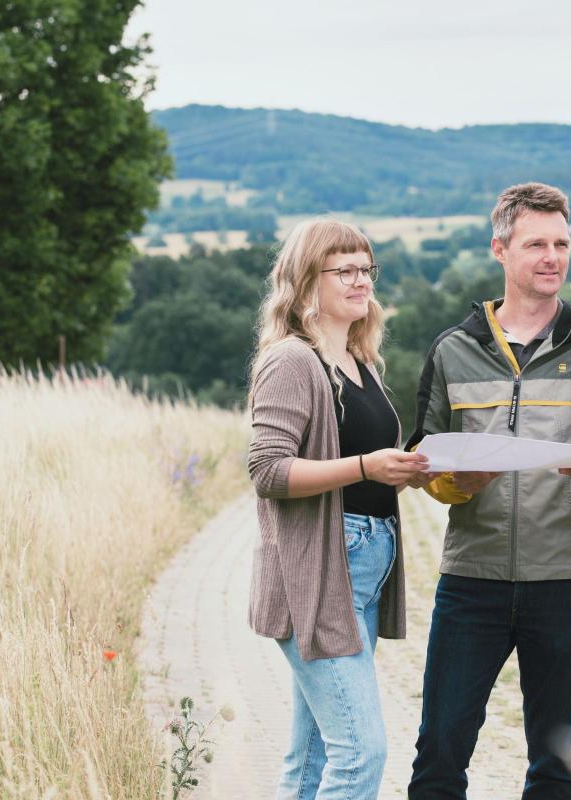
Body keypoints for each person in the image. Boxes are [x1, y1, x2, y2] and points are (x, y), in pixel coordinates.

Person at [405, 182, 571, 799]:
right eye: (536, 243)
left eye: (562, 244)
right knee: (438, 753)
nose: (552, 257)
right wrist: (457, 481)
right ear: (501, 250)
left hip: (566, 581)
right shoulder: (453, 350)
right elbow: (424, 459)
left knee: (555, 765)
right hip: (471, 580)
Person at [246, 218, 429, 800]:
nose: (360, 281)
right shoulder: (292, 361)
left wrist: (402, 471)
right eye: (343, 269)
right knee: (360, 753)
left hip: (365, 567)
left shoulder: (360, 361)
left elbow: (363, 471)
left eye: (366, 269)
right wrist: (365, 467)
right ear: (306, 282)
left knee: (313, 758)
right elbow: (267, 471)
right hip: (318, 572)